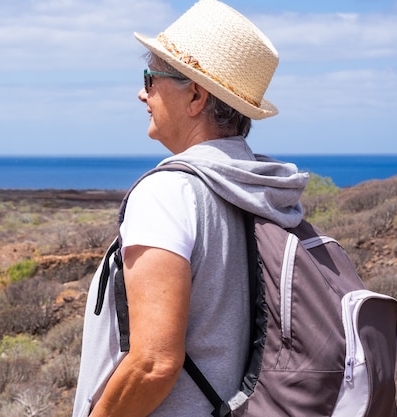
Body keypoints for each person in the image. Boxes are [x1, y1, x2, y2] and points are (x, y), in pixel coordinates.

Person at [72, 1, 309, 416]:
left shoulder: (168, 194)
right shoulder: (262, 191)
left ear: (196, 96)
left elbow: (153, 363)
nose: (142, 92)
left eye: (150, 77)